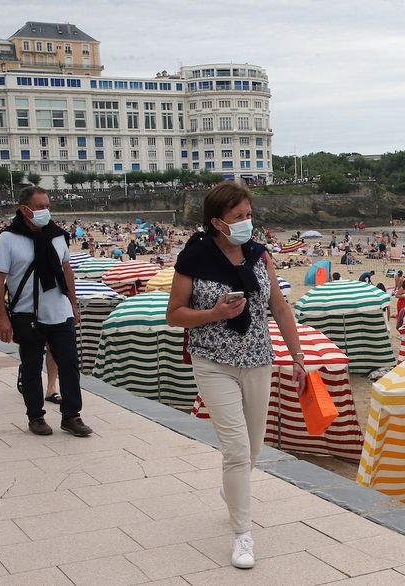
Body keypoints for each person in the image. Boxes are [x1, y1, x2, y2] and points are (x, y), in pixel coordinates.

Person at [166, 181, 306, 570]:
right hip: (213, 362)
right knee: (237, 449)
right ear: (217, 221)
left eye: (249, 214)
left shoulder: (259, 255)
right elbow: (174, 314)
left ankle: (232, 489)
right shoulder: (193, 257)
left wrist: (298, 357)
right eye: (238, 216)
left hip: (258, 359)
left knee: (253, 448)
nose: (247, 222)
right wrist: (215, 313)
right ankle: (243, 534)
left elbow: (279, 307)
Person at [0, 186, 91, 437]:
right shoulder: (8, 238)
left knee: (70, 364)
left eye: (47, 206)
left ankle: (71, 415)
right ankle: (35, 416)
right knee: (32, 367)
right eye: (39, 207)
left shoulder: (57, 235)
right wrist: (2, 317)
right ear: (25, 210)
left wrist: (73, 305)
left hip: (60, 311)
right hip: (27, 313)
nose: (46, 211)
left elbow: (66, 270)